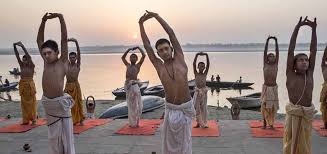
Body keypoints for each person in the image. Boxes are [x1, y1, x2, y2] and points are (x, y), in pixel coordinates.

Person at [139, 10, 195, 154]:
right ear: (158, 54)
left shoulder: (180, 59)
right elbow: (146, 46)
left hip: (185, 108)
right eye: (160, 50)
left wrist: (157, 17)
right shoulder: (159, 66)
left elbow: (171, 33)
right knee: (169, 145)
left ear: (171, 48)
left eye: (166, 48)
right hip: (170, 108)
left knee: (184, 145)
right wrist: (141, 24)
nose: (164, 52)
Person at [37, 12, 75, 154]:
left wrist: (61, 18)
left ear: (57, 52)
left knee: (66, 137)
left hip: (60, 104)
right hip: (49, 104)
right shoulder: (46, 63)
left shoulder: (63, 62)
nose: (46, 56)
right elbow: (39, 39)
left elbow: (64, 39)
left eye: (49, 53)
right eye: (44, 53)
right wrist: (43, 21)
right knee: (53, 138)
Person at [283, 16, 317, 154]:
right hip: (294, 114)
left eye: (306, 60)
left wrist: (314, 29)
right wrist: (297, 28)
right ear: (295, 64)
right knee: (292, 145)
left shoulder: (309, 74)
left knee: (305, 145)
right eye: (301, 60)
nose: (304, 62)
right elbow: (291, 50)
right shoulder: (291, 74)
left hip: (307, 114)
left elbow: (313, 49)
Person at [13, 41, 37, 125]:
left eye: (25, 59)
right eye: (23, 59)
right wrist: (15, 46)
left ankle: (33, 119)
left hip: (30, 86)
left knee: (32, 104)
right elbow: (17, 56)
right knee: (24, 104)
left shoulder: (32, 66)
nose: (24, 61)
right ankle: (26, 120)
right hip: (23, 86)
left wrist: (22, 46)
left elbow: (29, 57)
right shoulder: (21, 65)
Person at [121, 46, 146, 127]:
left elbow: (144, 55)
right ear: (130, 59)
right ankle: (132, 123)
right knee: (131, 106)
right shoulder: (127, 65)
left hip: (135, 86)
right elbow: (123, 57)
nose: (133, 58)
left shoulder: (138, 66)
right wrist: (128, 50)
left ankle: (137, 122)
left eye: (135, 57)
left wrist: (139, 47)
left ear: (136, 59)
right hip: (128, 86)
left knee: (139, 106)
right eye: (131, 57)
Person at [64, 38, 85, 126]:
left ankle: (80, 120)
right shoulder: (67, 64)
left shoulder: (77, 65)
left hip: (76, 85)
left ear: (76, 58)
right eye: (71, 57)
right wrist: (66, 43)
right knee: (68, 103)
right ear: (69, 58)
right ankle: (71, 119)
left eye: (74, 57)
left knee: (78, 102)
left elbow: (79, 53)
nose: (72, 59)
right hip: (68, 85)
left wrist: (76, 42)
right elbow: (64, 53)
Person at [260, 36, 279, 129]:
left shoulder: (276, 64)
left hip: (274, 88)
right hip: (266, 88)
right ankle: (264, 123)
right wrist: (267, 41)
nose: (272, 57)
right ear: (267, 58)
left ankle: (271, 124)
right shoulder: (265, 64)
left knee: (273, 107)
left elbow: (277, 52)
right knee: (264, 105)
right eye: (270, 56)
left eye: (273, 56)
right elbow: (264, 52)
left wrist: (275, 41)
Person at [193, 52, 210, 128]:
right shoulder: (196, 73)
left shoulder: (205, 73)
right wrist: (197, 55)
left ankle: (204, 122)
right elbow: (193, 63)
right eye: (200, 66)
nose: (202, 68)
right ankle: (198, 122)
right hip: (197, 91)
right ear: (198, 67)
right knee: (197, 108)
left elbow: (208, 65)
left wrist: (206, 55)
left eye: (203, 66)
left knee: (204, 108)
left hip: (204, 91)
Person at [320, 45, 327, 129]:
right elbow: (323, 58)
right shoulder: (324, 67)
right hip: (325, 87)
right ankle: (325, 123)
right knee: (324, 105)